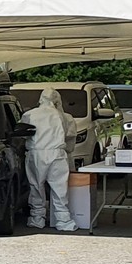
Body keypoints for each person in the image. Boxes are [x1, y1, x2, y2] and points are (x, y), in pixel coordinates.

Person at [22, 88, 78, 231]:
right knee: (60, 188)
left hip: (36, 153)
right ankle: (63, 220)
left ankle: (37, 218)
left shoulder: (29, 115)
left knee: (35, 186)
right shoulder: (65, 117)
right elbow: (70, 139)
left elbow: (22, 135)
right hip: (57, 153)